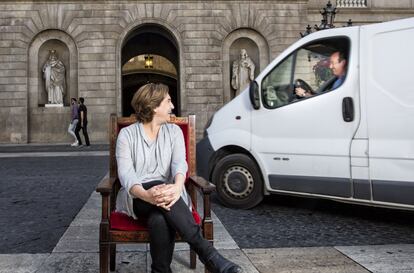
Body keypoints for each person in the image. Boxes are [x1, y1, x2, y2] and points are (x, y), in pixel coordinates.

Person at [115, 83, 242, 273]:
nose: (173, 106)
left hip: (172, 194)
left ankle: (161, 270)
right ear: (154, 106)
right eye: (168, 101)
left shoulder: (174, 132)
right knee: (157, 188)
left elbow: (179, 164)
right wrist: (146, 195)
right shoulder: (127, 135)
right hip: (138, 196)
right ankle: (210, 256)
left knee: (158, 218)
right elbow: (126, 174)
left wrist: (176, 186)